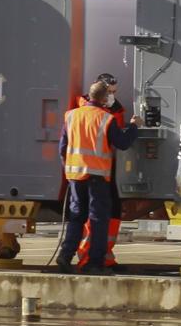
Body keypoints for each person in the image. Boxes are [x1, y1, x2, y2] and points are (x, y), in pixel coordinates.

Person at [56, 80, 141, 275]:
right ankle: (94, 263)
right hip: (97, 176)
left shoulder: (71, 116)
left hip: (75, 176)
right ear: (104, 98)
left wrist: (69, 172)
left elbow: (62, 148)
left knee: (77, 217)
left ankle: (65, 255)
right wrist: (135, 127)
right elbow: (123, 143)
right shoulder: (105, 118)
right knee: (98, 220)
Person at [77, 72, 125, 270]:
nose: (111, 95)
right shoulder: (82, 105)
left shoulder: (116, 109)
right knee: (91, 214)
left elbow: (116, 134)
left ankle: (106, 255)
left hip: (105, 167)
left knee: (112, 211)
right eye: (108, 91)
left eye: (114, 91)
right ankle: (86, 256)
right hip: (85, 169)